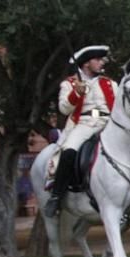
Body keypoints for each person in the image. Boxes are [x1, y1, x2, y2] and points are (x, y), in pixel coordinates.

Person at [44, 45, 116, 218]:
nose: (101, 63)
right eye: (97, 60)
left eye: (101, 60)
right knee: (69, 151)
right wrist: (76, 93)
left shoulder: (110, 83)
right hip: (85, 123)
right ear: (85, 64)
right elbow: (63, 109)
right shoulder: (69, 83)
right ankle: (57, 196)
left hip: (110, 123)